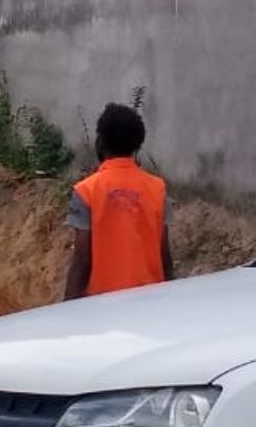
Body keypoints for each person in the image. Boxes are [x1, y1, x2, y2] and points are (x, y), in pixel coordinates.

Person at [63, 102, 174, 300]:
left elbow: (82, 258)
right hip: (151, 301)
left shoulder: (86, 191)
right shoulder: (158, 189)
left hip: (102, 306)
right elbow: (164, 252)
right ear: (137, 144)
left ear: (100, 142)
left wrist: (67, 309)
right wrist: (170, 296)